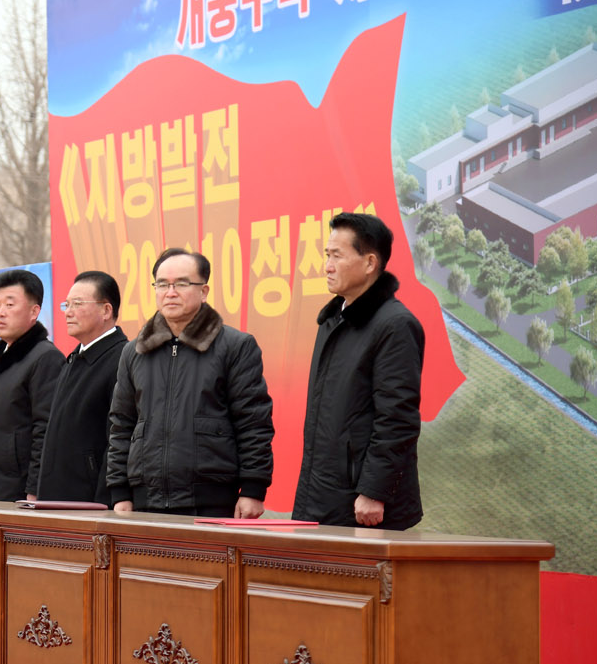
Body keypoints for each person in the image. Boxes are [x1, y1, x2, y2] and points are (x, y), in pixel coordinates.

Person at [107, 249, 273, 518]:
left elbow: (254, 423)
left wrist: (253, 489)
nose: (170, 292)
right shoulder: (135, 351)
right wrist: (119, 491)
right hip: (144, 500)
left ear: (204, 291)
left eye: (182, 284)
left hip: (212, 500)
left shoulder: (235, 346)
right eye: (162, 284)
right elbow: (121, 425)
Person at [293, 212, 425, 529]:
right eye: (327, 255)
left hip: (362, 505)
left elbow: (398, 418)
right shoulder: (332, 321)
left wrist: (373, 491)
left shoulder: (394, 325)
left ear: (369, 263)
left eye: (336, 256)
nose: (326, 266)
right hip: (322, 493)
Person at [0, 269, 63, 502]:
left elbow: (46, 431)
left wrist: (35, 490)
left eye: (10, 305)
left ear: (34, 312)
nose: (0, 313)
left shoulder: (45, 358)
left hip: (18, 492)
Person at [37, 271, 128, 504]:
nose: (68, 312)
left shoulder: (121, 359)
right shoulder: (75, 358)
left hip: (90, 502)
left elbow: (118, 437)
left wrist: (106, 499)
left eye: (77, 304)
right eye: (66, 304)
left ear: (106, 310)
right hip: (59, 497)